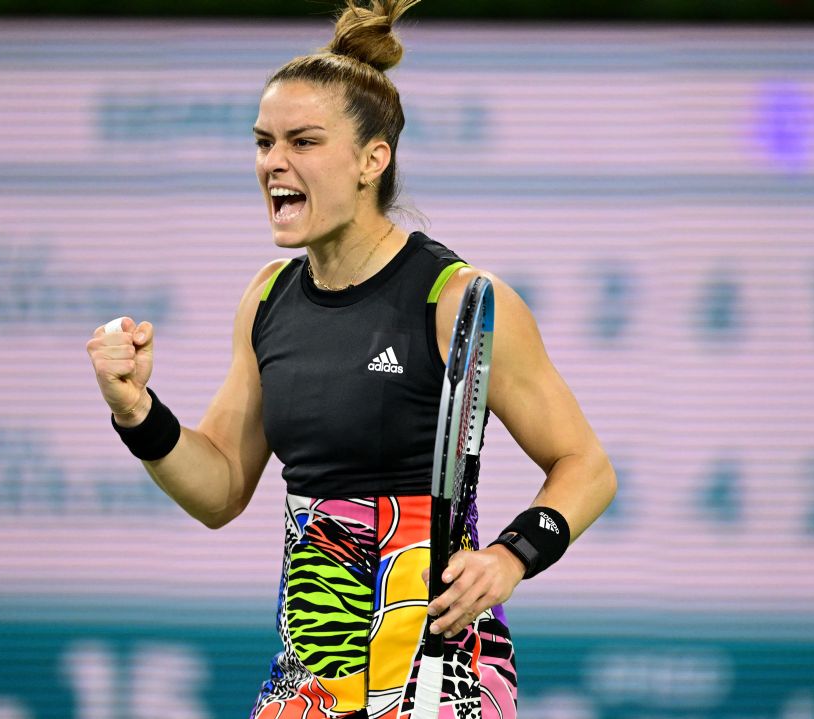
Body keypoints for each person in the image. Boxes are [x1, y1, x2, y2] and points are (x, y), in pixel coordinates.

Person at [86, 1, 616, 716]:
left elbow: (587, 465)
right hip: (311, 676)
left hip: (442, 673)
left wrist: (512, 554)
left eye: (303, 142)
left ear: (374, 159)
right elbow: (219, 487)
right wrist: (136, 411)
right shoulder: (268, 298)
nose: (275, 161)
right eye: (264, 142)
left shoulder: (458, 300)